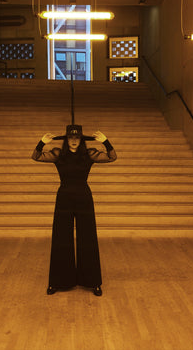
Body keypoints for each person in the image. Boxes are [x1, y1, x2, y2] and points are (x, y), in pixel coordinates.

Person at [31, 124, 117, 296]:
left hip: (84, 197)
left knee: (88, 237)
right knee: (61, 237)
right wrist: (42, 142)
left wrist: (106, 142)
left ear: (81, 140)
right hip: (64, 197)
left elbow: (112, 157)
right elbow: (36, 156)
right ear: (66, 139)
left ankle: (92, 282)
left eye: (77, 138)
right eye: (71, 138)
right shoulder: (57, 154)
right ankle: (58, 282)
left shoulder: (89, 154)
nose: (74, 141)